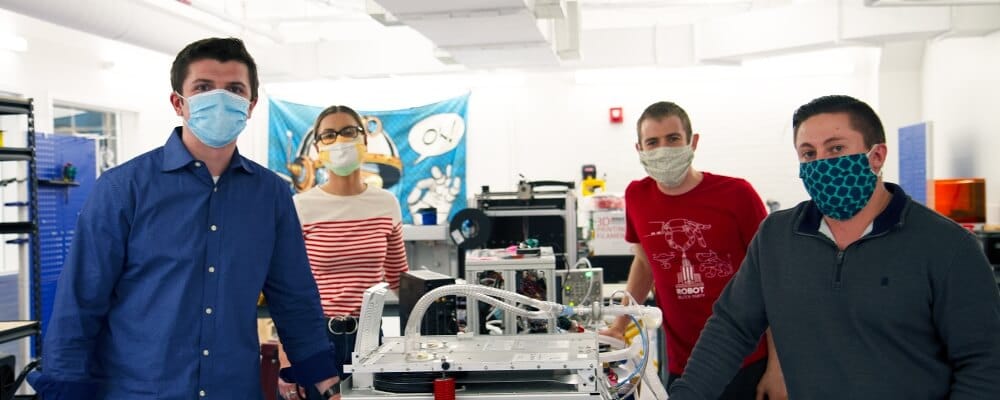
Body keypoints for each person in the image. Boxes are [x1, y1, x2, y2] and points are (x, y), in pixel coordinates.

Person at [28, 38, 341, 400]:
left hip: (233, 389)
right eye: (204, 87)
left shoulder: (270, 195)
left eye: (235, 89)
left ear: (251, 105)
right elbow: (80, 302)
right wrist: (65, 390)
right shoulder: (122, 189)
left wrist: (323, 379)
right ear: (179, 102)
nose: (220, 99)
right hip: (139, 391)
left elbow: (294, 296)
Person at [669, 95, 1000, 399]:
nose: (821, 163)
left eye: (836, 148)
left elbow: (984, 363)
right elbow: (731, 328)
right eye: (809, 153)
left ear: (877, 155)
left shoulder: (947, 246)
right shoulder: (776, 237)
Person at [601, 101, 786, 399]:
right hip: (684, 362)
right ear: (640, 150)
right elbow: (645, 264)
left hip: (747, 359)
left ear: (692, 142)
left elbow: (772, 283)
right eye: (653, 142)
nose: (663, 149)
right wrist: (620, 324)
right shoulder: (637, 195)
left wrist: (778, 369)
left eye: (673, 139)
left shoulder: (737, 195)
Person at [276, 105, 408, 400]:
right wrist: (286, 358)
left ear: (364, 139)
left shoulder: (386, 204)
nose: (340, 141)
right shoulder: (301, 207)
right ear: (318, 147)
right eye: (329, 134)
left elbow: (400, 279)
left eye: (349, 131)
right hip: (314, 339)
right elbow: (286, 290)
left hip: (371, 338)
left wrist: (431, 329)